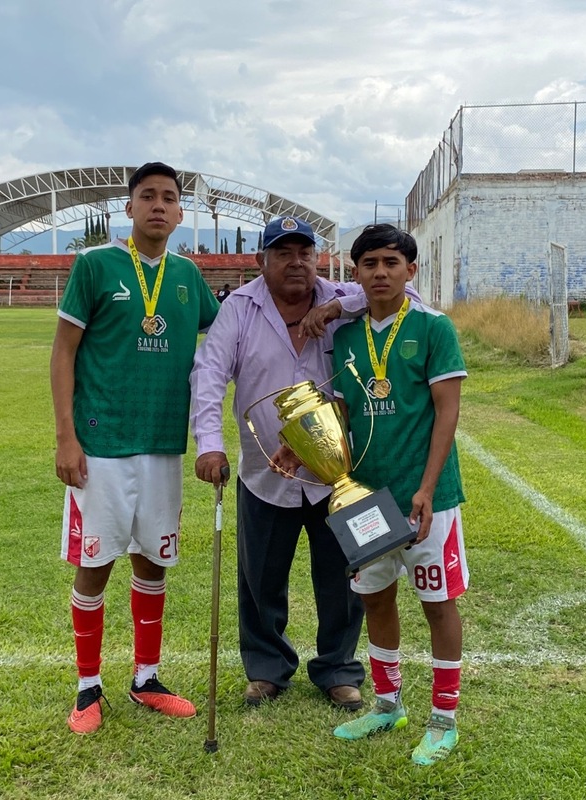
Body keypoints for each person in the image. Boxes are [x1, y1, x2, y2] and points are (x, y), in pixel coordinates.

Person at [50, 161, 221, 735]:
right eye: (147, 196)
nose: (158, 205)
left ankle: (146, 678)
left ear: (180, 212)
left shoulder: (187, 275)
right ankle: (87, 686)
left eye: (169, 197)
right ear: (129, 208)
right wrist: (66, 437)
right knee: (95, 563)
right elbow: (63, 352)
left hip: (162, 444)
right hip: (101, 444)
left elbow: (227, 335)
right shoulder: (95, 265)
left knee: (153, 560)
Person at [190, 216, 373, 711]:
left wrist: (338, 307)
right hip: (265, 473)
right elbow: (209, 374)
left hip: (338, 474)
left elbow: (407, 298)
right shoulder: (240, 308)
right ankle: (267, 668)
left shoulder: (343, 296)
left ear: (317, 258)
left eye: (305, 253)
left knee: (344, 577)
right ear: (261, 260)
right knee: (260, 578)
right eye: (283, 253)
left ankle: (338, 668)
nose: (297, 263)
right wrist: (209, 444)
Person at [327, 223, 469, 766]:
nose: (380, 272)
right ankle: (388, 705)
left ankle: (443, 720)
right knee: (375, 598)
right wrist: (304, 450)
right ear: (356, 273)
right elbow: (342, 415)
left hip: (426, 497)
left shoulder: (434, 328)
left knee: (437, 604)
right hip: (365, 498)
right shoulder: (345, 337)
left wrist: (427, 488)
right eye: (370, 263)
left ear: (411, 270)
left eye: (391, 262)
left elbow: (447, 413)